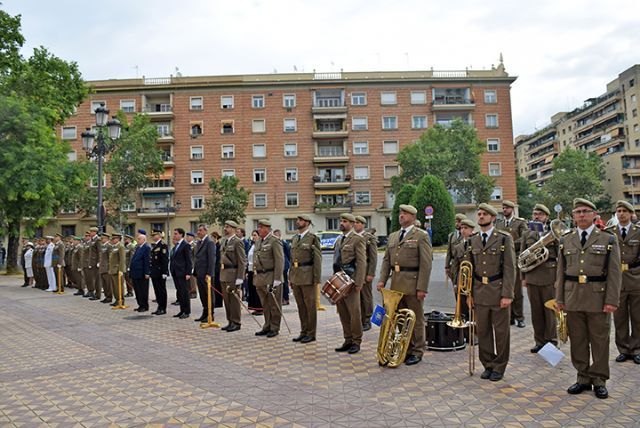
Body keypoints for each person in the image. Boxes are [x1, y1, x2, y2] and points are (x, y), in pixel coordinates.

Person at [556, 198, 621, 399]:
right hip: (573, 297)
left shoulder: (608, 239)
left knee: (600, 341)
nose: (582, 215)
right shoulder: (565, 239)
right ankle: (582, 377)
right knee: (578, 340)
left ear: (594, 215)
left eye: (585, 211)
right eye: (578, 212)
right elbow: (561, 271)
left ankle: (599, 379)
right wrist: (559, 298)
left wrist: (612, 300)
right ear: (573, 216)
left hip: (598, 298)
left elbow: (614, 273)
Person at [463, 203, 516, 381]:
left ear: (493, 218)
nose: (480, 217)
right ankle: (488, 363)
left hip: (498, 290)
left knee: (501, 332)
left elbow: (510, 268)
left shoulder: (503, 239)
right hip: (479, 291)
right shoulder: (472, 240)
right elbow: (468, 270)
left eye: (484, 214)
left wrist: (507, 294)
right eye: (479, 214)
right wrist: (468, 294)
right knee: (483, 331)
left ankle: (500, 366)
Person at [377, 205, 433, 365]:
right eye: (400, 213)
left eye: (405, 213)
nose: (401, 216)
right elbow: (387, 260)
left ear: (413, 217)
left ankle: (417, 350)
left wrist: (422, 287)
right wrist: (382, 280)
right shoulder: (394, 236)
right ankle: (405, 347)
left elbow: (426, 264)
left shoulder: (421, 235)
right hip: (396, 284)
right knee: (399, 319)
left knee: (416, 318)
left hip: (413, 283)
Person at [520, 203, 558, 353]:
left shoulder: (554, 233)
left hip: (550, 275)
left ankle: (552, 341)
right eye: (535, 214)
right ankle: (539, 341)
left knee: (549, 310)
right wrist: (523, 277)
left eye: (540, 214)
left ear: (547, 217)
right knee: (536, 312)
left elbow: (561, 256)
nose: (537, 216)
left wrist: (558, 278)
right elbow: (522, 257)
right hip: (532, 276)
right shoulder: (527, 234)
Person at [606, 200, 640, 364]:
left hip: (636, 278)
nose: (621, 214)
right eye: (618, 211)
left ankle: (637, 349)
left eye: (624, 211)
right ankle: (623, 349)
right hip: (616, 280)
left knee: (637, 316)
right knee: (619, 317)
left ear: (631, 213)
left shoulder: (638, 231)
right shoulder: (609, 232)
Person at [334, 213, 367, 354]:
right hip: (340, 281)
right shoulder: (339, 239)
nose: (342, 223)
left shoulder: (357, 239)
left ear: (352, 224)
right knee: (343, 312)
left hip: (352, 281)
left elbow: (361, 262)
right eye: (341, 220)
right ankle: (347, 339)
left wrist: (359, 282)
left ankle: (356, 341)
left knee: (354, 313)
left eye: (345, 221)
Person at [289, 214, 322, 344]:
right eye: (297, 220)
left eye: (301, 220)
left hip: (308, 276)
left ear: (307, 223)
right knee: (301, 306)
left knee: (310, 306)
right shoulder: (295, 238)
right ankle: (303, 331)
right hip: (296, 276)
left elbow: (317, 260)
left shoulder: (312, 238)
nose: (298, 222)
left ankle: (311, 333)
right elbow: (292, 260)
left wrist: (316, 279)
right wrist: (290, 277)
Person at [495, 200, 527, 328]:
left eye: (507, 208)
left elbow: (523, 239)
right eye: (503, 208)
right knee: (504, 289)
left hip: (516, 258)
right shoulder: (499, 223)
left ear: (512, 209)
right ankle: (510, 317)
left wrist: (509, 244)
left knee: (516, 290)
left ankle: (519, 317)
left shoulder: (520, 222)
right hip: (501, 260)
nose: (505, 210)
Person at [253, 219, 285, 338]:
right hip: (260, 277)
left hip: (271, 276)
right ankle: (267, 325)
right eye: (258, 227)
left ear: (267, 228)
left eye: (261, 227)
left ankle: (275, 327)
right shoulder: (258, 242)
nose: (259, 229)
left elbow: (279, 260)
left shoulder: (274, 241)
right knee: (265, 304)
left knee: (274, 304)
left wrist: (277, 278)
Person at [450, 218, 477, 336]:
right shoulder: (458, 246)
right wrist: (455, 283)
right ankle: (465, 333)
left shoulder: (477, 243)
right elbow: (455, 267)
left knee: (474, 307)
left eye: (466, 228)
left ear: (472, 230)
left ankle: (475, 332)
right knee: (462, 307)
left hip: (475, 281)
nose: (463, 230)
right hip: (462, 281)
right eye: (461, 228)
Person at [219, 221, 247, 332]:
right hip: (224, 274)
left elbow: (242, 261)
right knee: (226, 300)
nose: (225, 229)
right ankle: (230, 321)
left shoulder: (237, 242)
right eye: (225, 226)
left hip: (233, 274)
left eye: (228, 227)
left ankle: (236, 322)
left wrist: (240, 277)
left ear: (234, 229)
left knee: (234, 300)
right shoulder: (224, 241)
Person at [354, 216, 377, 331]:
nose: (355, 225)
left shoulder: (369, 238)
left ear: (363, 224)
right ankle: (359, 318)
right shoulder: (353, 237)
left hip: (366, 270)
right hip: (355, 271)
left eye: (358, 223)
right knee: (356, 296)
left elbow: (373, 257)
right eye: (354, 222)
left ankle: (367, 319)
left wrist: (371, 273)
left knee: (366, 296)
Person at [193, 224, 217, 323]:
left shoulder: (209, 242)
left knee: (209, 294)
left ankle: (210, 314)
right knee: (202, 294)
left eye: (200, 230)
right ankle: (205, 312)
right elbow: (197, 258)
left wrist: (209, 273)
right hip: (199, 273)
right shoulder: (199, 242)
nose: (198, 232)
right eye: (198, 230)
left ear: (205, 231)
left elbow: (212, 259)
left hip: (206, 274)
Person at [170, 228, 193, 319]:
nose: (174, 235)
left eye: (176, 234)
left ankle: (186, 311)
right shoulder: (177, 245)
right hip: (176, 272)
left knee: (184, 293)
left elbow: (189, 260)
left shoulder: (185, 245)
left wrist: (188, 273)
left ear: (181, 235)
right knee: (180, 292)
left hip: (183, 273)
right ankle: (182, 310)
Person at [130, 233, 151, 312]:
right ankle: (140, 305)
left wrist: (147, 273)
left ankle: (144, 306)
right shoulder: (138, 247)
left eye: (139, 239)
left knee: (143, 290)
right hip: (136, 273)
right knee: (137, 290)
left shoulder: (146, 248)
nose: (137, 240)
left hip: (142, 273)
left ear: (144, 240)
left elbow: (147, 261)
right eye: (137, 239)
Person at [149, 231, 169, 315]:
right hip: (154, 272)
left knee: (161, 291)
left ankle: (163, 308)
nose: (153, 236)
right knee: (157, 290)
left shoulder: (163, 245)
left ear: (159, 235)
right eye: (152, 235)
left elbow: (164, 259)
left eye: (155, 235)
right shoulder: (155, 245)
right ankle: (159, 307)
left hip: (160, 272)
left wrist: (164, 272)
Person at [445, 214, 467, 282]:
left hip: (464, 264)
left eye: (459, 222)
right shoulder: (451, 235)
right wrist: (447, 266)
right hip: (454, 265)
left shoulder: (468, 235)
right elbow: (449, 252)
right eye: (456, 221)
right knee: (455, 286)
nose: (457, 224)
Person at [246, 230, 262, 315]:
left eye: (255, 235)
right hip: (250, 269)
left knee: (257, 290)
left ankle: (260, 308)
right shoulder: (252, 246)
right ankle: (255, 307)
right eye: (252, 235)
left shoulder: (260, 245)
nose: (253, 237)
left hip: (257, 270)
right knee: (252, 289)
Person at [273, 229, 291, 305]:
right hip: (278, 265)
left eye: (276, 235)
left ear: (279, 235)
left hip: (284, 265)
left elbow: (288, 253)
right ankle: (281, 298)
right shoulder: (275, 242)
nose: (275, 237)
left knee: (284, 282)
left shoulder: (284, 243)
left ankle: (286, 298)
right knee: (280, 282)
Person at [108, 234, 127, 306]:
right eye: (112, 239)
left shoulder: (121, 247)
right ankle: (117, 299)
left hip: (117, 270)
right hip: (113, 269)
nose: (113, 240)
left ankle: (121, 300)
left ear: (118, 239)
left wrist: (121, 270)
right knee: (114, 286)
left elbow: (122, 259)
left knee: (119, 286)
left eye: (114, 239)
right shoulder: (114, 247)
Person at [97, 233, 112, 303]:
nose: (101, 240)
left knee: (108, 284)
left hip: (106, 268)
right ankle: (106, 296)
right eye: (101, 238)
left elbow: (110, 258)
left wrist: (109, 268)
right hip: (102, 268)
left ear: (107, 239)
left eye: (103, 238)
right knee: (104, 284)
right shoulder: (102, 246)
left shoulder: (109, 246)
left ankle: (109, 297)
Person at [186, 232, 198, 299]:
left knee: (192, 280)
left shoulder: (194, 245)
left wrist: (193, 266)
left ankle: (193, 293)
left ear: (192, 237)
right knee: (188, 281)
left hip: (192, 265)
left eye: (188, 236)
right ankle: (189, 292)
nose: (187, 238)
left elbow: (195, 257)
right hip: (187, 265)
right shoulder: (187, 245)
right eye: (187, 236)